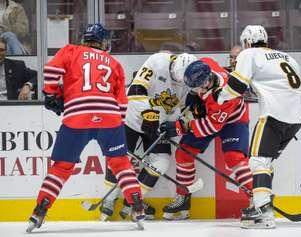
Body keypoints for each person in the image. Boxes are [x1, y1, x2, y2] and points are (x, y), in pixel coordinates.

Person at [26, 23, 145, 233]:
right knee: (120, 163)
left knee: (61, 167)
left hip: (77, 116)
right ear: (103, 42)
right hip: (110, 116)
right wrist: (118, 125)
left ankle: (40, 210)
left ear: (85, 38)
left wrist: (51, 93)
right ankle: (136, 204)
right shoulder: (114, 63)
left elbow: (52, 69)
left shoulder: (71, 50)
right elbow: (122, 101)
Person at [217, 25, 301, 229]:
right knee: (266, 161)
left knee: (258, 161)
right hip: (295, 119)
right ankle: (263, 200)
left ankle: (262, 210)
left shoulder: (248, 54)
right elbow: (300, 88)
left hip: (273, 115)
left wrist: (220, 97)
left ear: (246, 41)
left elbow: (237, 87)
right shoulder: (287, 57)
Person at [99, 52, 197, 221]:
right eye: (175, 78)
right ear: (174, 67)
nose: (177, 83)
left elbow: (181, 107)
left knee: (162, 161)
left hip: (159, 124)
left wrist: (174, 124)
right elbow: (136, 89)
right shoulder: (158, 61)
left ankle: (134, 200)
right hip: (134, 117)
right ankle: (109, 199)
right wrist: (148, 113)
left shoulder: (190, 77)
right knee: (120, 157)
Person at [159, 58, 253, 220]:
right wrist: (192, 100)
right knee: (183, 153)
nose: (197, 90)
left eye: (198, 87)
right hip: (211, 115)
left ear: (207, 82)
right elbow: (195, 93)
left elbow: (210, 127)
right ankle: (183, 197)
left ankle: (257, 199)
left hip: (233, 120)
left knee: (234, 158)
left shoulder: (224, 96)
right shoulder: (206, 64)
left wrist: (178, 127)